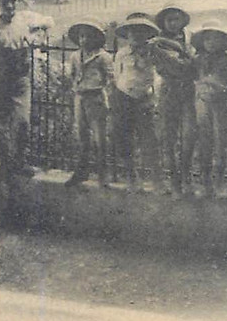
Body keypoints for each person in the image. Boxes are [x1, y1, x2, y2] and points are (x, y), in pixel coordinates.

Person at [0, 0, 53, 182]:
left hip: (21, 79)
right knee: (2, 123)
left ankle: (19, 161)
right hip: (1, 79)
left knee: (22, 122)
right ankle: (5, 163)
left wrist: (36, 32)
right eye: (5, 3)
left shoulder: (25, 19)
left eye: (13, 2)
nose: (10, 7)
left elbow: (49, 21)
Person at [111, 16, 162, 191]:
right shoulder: (122, 54)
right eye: (132, 32)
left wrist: (151, 96)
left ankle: (157, 179)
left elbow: (157, 76)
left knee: (149, 139)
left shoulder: (152, 52)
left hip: (144, 100)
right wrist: (123, 91)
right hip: (124, 98)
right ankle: (132, 177)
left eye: (141, 32)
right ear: (127, 35)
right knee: (125, 138)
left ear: (147, 34)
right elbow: (117, 76)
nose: (136, 36)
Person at [150, 6, 196, 195]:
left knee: (189, 136)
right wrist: (187, 58)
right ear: (163, 22)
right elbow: (178, 66)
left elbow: (194, 63)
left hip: (188, 90)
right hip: (169, 90)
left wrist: (188, 58)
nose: (173, 23)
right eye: (169, 19)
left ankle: (187, 175)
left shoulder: (189, 36)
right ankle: (175, 178)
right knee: (168, 137)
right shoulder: (156, 43)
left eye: (177, 19)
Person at [65, 19, 113, 189]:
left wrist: (101, 93)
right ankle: (81, 171)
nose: (84, 40)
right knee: (82, 136)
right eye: (81, 36)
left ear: (96, 38)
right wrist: (78, 89)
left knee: (100, 138)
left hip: (96, 98)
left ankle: (103, 173)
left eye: (88, 37)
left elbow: (109, 78)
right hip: (80, 97)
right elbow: (72, 75)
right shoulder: (75, 56)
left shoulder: (103, 57)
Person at [191, 19, 227, 198]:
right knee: (204, 141)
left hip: (221, 104)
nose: (211, 43)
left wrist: (214, 83)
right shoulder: (198, 60)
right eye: (207, 39)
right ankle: (206, 180)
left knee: (221, 141)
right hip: (203, 102)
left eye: (215, 39)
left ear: (222, 41)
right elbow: (194, 79)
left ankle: (220, 180)